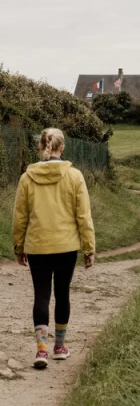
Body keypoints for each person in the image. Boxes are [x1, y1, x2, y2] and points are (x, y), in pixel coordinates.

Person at [12, 127, 95, 370]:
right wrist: (89, 247)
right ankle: (60, 347)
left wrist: (19, 245)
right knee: (62, 293)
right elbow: (84, 216)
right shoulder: (75, 176)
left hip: (37, 245)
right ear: (62, 148)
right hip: (66, 246)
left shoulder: (27, 178)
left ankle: (41, 350)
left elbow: (20, 217)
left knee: (41, 294)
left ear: (41, 147)